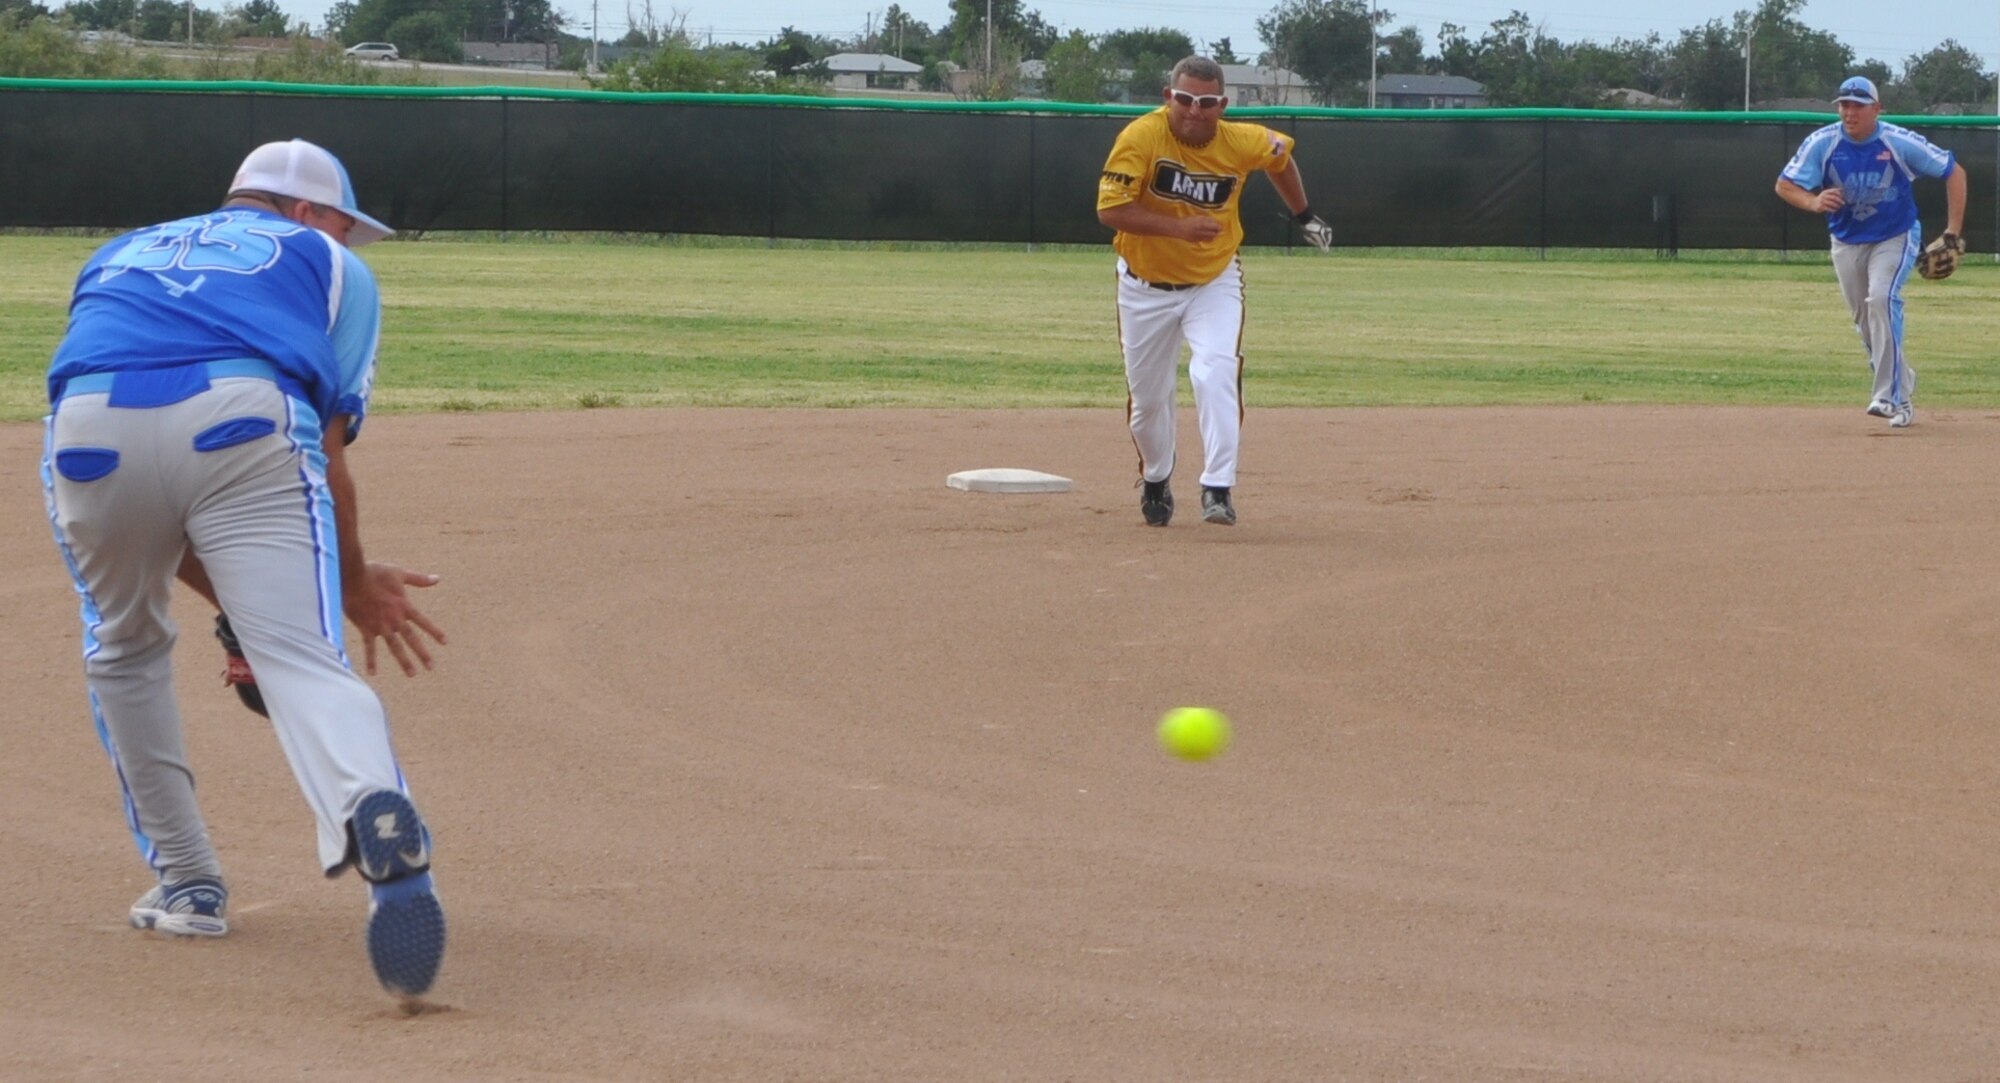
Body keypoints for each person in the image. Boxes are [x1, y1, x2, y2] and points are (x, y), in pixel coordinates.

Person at [41, 139, 450, 999]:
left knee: (122, 646)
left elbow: (164, 497)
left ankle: (188, 885)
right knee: (301, 656)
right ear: (305, 213)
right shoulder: (328, 264)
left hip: (87, 428)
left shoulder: (120, 249)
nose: (351, 241)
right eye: (345, 222)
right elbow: (328, 458)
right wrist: (350, 583)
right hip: (245, 416)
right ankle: (373, 811)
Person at [1097, 55, 1331, 527]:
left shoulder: (1240, 140)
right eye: (1184, 99)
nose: (1194, 110)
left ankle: (1217, 486)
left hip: (1213, 279)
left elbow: (1280, 158)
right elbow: (1111, 209)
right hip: (1144, 286)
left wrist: (1304, 215)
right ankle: (1158, 477)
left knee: (1216, 370)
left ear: (1222, 104)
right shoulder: (1141, 137)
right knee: (1147, 402)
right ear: (1168, 98)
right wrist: (1178, 228)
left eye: (1206, 102)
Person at [1776, 75, 1967, 429]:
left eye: (1858, 105)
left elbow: (1954, 172)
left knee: (1881, 299)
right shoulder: (1823, 143)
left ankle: (1888, 396)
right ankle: (1904, 386)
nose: (1850, 112)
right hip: (1846, 240)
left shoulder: (1896, 141)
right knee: (1866, 322)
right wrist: (1814, 200)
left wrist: (1952, 231)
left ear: (1876, 109)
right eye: (1844, 105)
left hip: (1895, 235)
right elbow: (1785, 185)